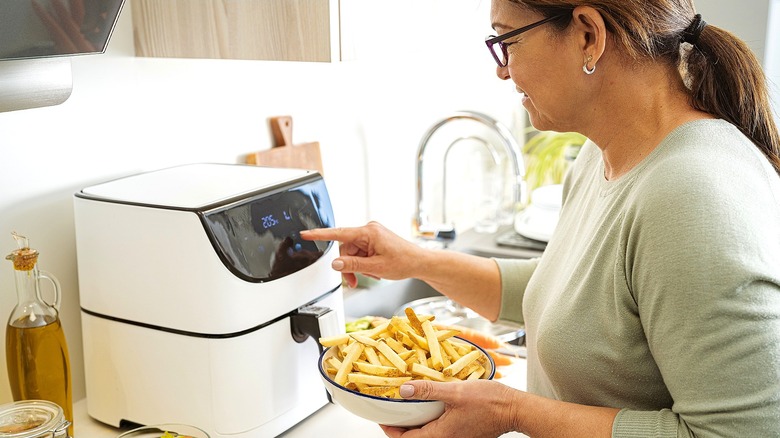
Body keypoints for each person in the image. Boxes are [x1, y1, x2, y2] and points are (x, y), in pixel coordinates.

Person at [301, 0, 780, 436]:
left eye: (506, 40)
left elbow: (745, 432)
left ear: (588, 34)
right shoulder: (603, 155)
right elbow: (577, 296)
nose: (502, 72)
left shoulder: (691, 194)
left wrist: (513, 411)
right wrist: (418, 261)